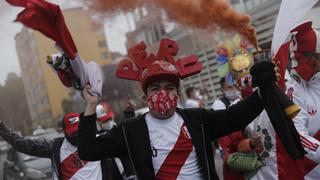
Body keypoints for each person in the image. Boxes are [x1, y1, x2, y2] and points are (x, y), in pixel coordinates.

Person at [78, 38, 277, 180]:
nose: (163, 93)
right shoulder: (130, 130)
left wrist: (264, 86)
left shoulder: (197, 119)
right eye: (155, 88)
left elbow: (236, 117)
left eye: (169, 88)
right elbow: (88, 151)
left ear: (178, 93)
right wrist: (90, 105)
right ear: (145, 96)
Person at [213, 36, 304, 180]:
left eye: (249, 77)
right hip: (257, 174)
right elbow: (229, 151)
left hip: (287, 169)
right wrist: (249, 143)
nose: (245, 82)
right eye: (241, 79)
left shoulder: (278, 95)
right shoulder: (234, 109)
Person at [0, 112, 105, 180]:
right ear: (64, 131)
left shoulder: (98, 140)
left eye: (79, 131)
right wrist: (1, 126)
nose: (77, 135)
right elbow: (21, 144)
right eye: (73, 133)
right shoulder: (55, 147)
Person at [284, 21, 320, 179]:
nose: (296, 65)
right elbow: (297, 135)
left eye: (300, 58)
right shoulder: (293, 91)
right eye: (294, 59)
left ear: (317, 56)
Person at [96, 102, 136, 180]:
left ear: (113, 115)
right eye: (104, 120)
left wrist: (129, 115)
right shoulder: (97, 140)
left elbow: (126, 129)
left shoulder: (119, 130)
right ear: (97, 122)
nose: (108, 122)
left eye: (109, 118)